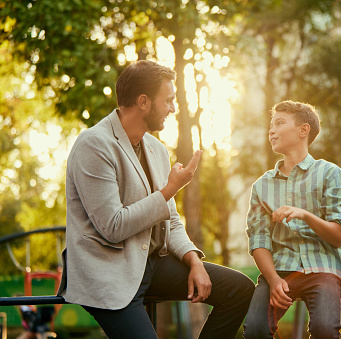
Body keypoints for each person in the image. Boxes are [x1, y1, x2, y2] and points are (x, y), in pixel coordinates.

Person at [57, 60, 254, 339]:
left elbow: (170, 219)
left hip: (151, 264)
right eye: (169, 101)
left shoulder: (156, 149)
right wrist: (169, 191)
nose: (173, 108)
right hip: (109, 271)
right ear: (144, 102)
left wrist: (194, 261)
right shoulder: (94, 145)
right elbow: (112, 227)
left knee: (239, 289)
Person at [243, 100, 341, 339]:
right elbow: (258, 240)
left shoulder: (331, 174)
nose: (271, 130)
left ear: (303, 130)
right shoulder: (262, 186)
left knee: (325, 329)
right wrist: (272, 280)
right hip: (280, 270)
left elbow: (338, 237)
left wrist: (304, 215)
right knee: (255, 330)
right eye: (271, 125)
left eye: (280, 123)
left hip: (323, 267)